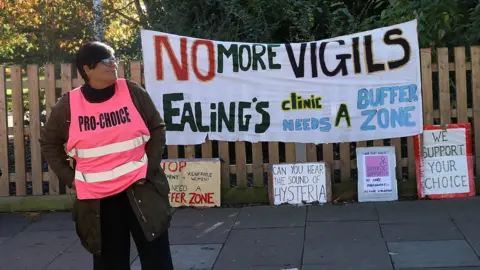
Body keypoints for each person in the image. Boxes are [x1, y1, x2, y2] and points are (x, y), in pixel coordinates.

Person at [39, 41, 174, 270]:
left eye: (114, 59)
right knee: (110, 263)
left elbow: (157, 128)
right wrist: (71, 178)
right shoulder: (68, 106)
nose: (114, 65)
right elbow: (49, 143)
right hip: (98, 202)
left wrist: (149, 167)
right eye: (106, 61)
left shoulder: (132, 92)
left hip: (141, 190)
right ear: (87, 69)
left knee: (157, 261)